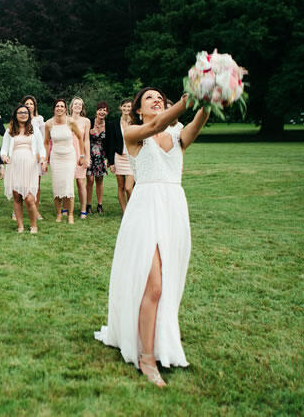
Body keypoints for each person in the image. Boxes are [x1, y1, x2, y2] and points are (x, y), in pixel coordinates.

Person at [94, 88, 210, 387]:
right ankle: (146, 358)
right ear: (138, 110)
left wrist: (207, 102)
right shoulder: (133, 132)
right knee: (154, 285)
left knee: (167, 284)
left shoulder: (177, 135)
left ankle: (158, 342)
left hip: (173, 209)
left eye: (160, 97)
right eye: (149, 98)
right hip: (145, 209)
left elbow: (197, 123)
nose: (157, 99)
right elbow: (156, 125)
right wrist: (188, 101)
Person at [1, 105, 44, 233]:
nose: (23, 114)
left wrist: (42, 158)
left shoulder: (34, 130)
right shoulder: (9, 130)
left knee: (30, 198)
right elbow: (4, 148)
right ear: (15, 114)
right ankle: (20, 226)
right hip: (14, 165)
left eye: (25, 112)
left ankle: (33, 226)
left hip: (30, 166)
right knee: (17, 196)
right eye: (20, 112)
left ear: (29, 115)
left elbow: (41, 148)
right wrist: (4, 157)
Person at [44, 98, 83, 224]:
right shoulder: (49, 124)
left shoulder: (70, 122)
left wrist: (81, 155)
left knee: (68, 185)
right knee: (57, 186)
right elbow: (46, 143)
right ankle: (59, 214)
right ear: (54, 108)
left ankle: (70, 215)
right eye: (57, 106)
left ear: (66, 109)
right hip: (56, 157)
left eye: (62, 106)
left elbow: (80, 138)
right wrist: (45, 159)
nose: (59, 108)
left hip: (69, 157)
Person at [106, 98, 135, 212]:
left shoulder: (136, 122)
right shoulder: (114, 124)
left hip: (132, 158)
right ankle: (125, 212)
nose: (127, 108)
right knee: (121, 187)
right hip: (119, 157)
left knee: (129, 188)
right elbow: (111, 144)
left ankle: (133, 210)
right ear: (120, 107)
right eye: (124, 106)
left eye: (129, 106)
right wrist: (111, 162)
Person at [22, 95, 45, 219]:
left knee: (37, 184)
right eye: (27, 103)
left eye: (31, 104)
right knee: (22, 182)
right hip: (23, 153)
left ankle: (36, 210)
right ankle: (17, 210)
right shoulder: (19, 119)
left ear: (34, 106)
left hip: (36, 155)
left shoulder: (39, 119)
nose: (29, 106)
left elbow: (43, 137)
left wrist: (41, 155)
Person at [69, 97, 91, 218]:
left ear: (82, 107)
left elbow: (86, 140)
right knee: (68, 182)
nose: (78, 106)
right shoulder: (66, 119)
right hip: (68, 152)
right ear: (71, 106)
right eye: (75, 104)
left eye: (80, 104)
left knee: (81, 182)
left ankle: (83, 209)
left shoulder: (86, 121)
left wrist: (87, 156)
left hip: (80, 153)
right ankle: (66, 208)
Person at [86, 101, 109, 215]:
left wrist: (109, 158)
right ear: (96, 111)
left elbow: (110, 142)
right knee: (89, 180)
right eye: (100, 109)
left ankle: (100, 205)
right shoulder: (89, 122)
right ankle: (88, 205)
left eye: (104, 110)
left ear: (107, 112)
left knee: (99, 180)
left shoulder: (108, 125)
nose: (102, 112)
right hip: (89, 154)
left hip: (101, 156)